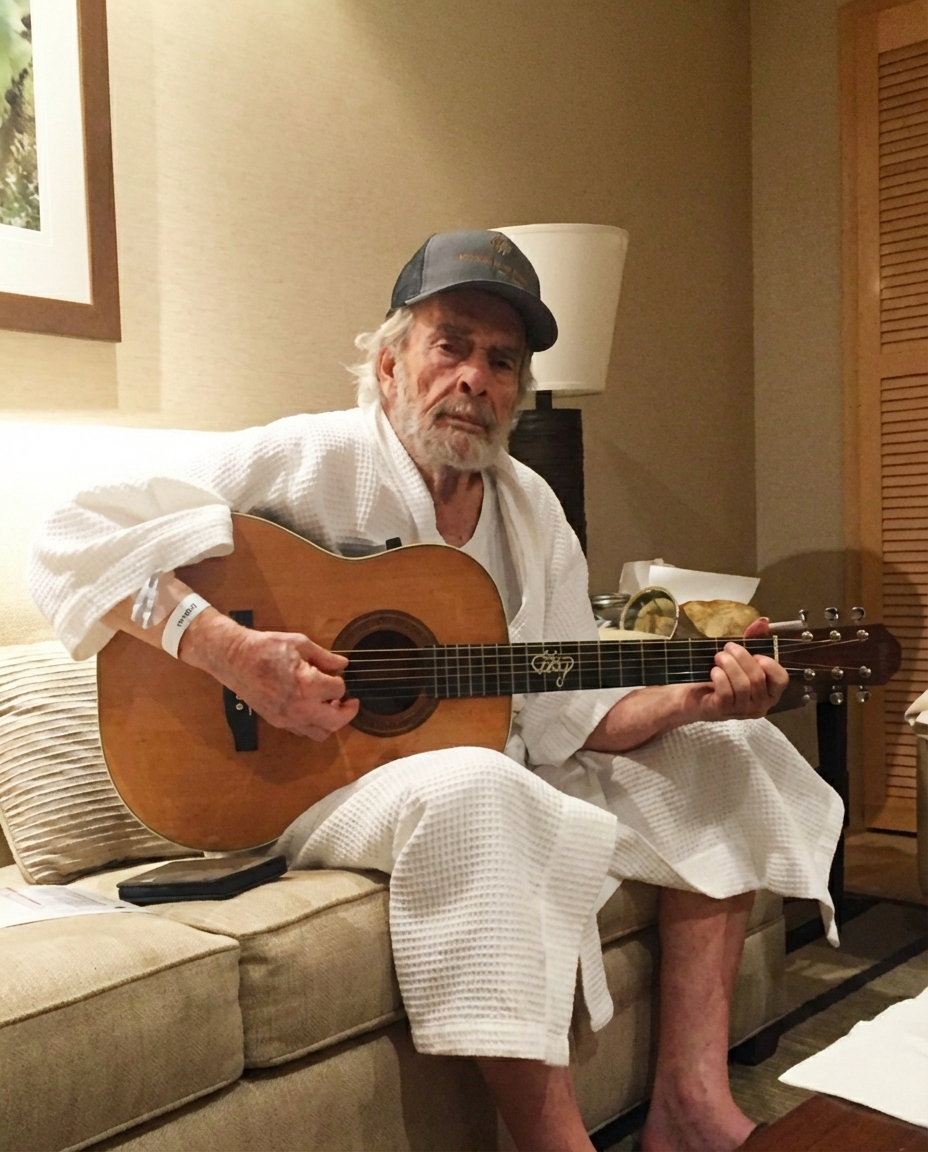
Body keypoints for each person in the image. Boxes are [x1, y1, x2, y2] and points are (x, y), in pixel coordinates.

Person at [30, 231, 843, 1152]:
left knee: (728, 747)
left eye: (502, 360)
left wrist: (698, 699)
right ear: (389, 364)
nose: (474, 378)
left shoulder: (533, 509)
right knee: (478, 781)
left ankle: (688, 1105)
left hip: (482, 768)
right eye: (450, 345)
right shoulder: (309, 457)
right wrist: (228, 650)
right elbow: (71, 536)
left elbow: (569, 713)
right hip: (302, 784)